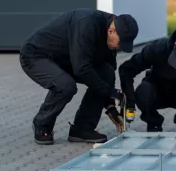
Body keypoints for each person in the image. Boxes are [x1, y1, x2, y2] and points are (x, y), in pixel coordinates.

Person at [19, 8, 139, 145]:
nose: (119, 47)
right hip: (36, 56)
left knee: (107, 74)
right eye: (119, 43)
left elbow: (106, 75)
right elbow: (82, 69)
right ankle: (42, 125)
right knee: (65, 85)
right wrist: (111, 93)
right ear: (111, 30)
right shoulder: (87, 24)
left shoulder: (110, 37)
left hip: (66, 59)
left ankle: (82, 129)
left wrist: (110, 106)